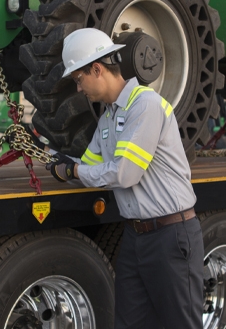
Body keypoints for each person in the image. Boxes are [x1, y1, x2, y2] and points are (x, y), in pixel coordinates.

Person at [46, 27, 205, 329]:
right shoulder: (108, 116)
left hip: (171, 236)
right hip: (136, 238)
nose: (79, 89)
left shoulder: (144, 105)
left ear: (97, 69)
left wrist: (75, 171)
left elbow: (123, 173)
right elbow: (90, 165)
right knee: (129, 323)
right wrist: (57, 159)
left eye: (79, 79)